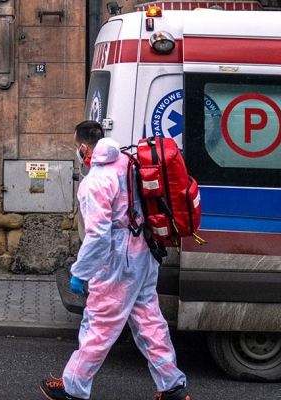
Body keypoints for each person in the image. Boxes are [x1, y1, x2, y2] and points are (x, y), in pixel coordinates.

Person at [40, 121, 190, 400]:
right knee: (149, 323)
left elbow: (97, 235)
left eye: (77, 147)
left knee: (99, 325)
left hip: (118, 261)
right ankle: (172, 387)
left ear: (83, 147)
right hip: (144, 253)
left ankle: (72, 389)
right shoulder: (127, 161)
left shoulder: (95, 182)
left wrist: (80, 272)